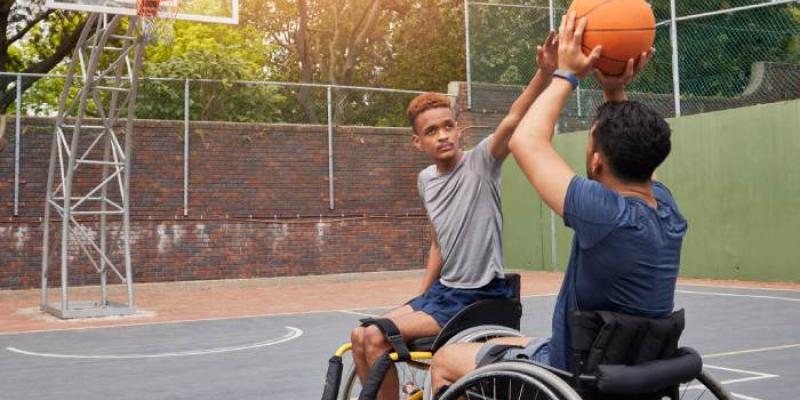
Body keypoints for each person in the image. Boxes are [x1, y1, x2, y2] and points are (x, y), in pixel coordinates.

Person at [429, 11, 687, 394]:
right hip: (630, 372)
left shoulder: (602, 213)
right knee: (506, 343)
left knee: (445, 362)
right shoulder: (667, 212)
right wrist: (614, 90)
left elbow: (524, 140)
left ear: (597, 161)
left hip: (572, 373)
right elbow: (636, 155)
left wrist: (567, 73)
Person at [348, 33, 560, 400]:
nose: (443, 135)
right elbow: (437, 242)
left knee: (375, 335)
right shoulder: (425, 181)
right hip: (443, 294)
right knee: (360, 336)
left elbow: (513, 118)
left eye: (448, 126)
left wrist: (543, 74)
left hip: (479, 295)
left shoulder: (481, 163)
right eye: (432, 131)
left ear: (459, 130)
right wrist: (421, 296)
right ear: (418, 142)